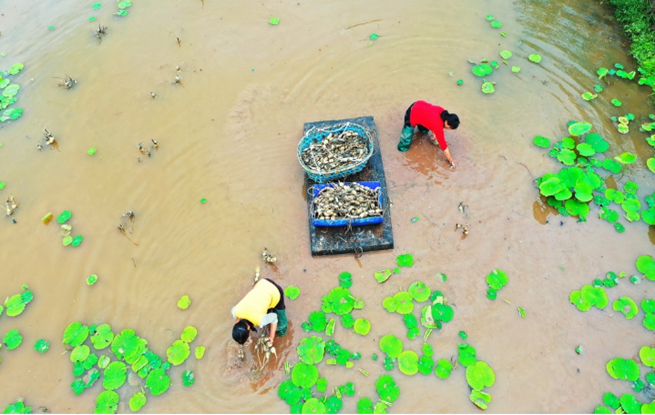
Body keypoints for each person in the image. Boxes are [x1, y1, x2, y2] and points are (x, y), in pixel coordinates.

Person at [397, 100, 460, 167]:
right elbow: (444, 146)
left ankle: (421, 128)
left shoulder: (442, 111)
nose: (448, 129)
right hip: (411, 113)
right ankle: (402, 149)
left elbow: (433, 120)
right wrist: (450, 160)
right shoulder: (438, 127)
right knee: (406, 138)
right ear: (447, 122)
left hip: (419, 105)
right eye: (449, 128)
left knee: (424, 130)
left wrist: (434, 132)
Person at [231, 278, 288, 348]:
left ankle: (282, 330)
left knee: (281, 327)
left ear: (248, 328)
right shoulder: (235, 311)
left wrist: (271, 338)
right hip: (262, 282)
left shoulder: (260, 320)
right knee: (265, 309)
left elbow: (274, 317)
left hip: (275, 290)